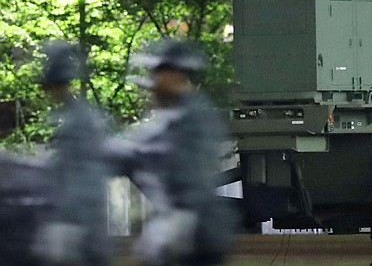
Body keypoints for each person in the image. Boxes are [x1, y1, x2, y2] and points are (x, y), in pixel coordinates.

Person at [111, 38, 236, 266]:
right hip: (178, 227)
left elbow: (190, 173)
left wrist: (180, 220)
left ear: (175, 74)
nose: (152, 82)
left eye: (157, 73)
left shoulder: (194, 117)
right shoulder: (171, 117)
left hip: (197, 230)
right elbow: (128, 152)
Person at [32, 41, 112, 266]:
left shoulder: (78, 120)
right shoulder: (71, 115)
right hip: (80, 222)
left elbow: (82, 175)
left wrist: (67, 222)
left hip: (82, 227)